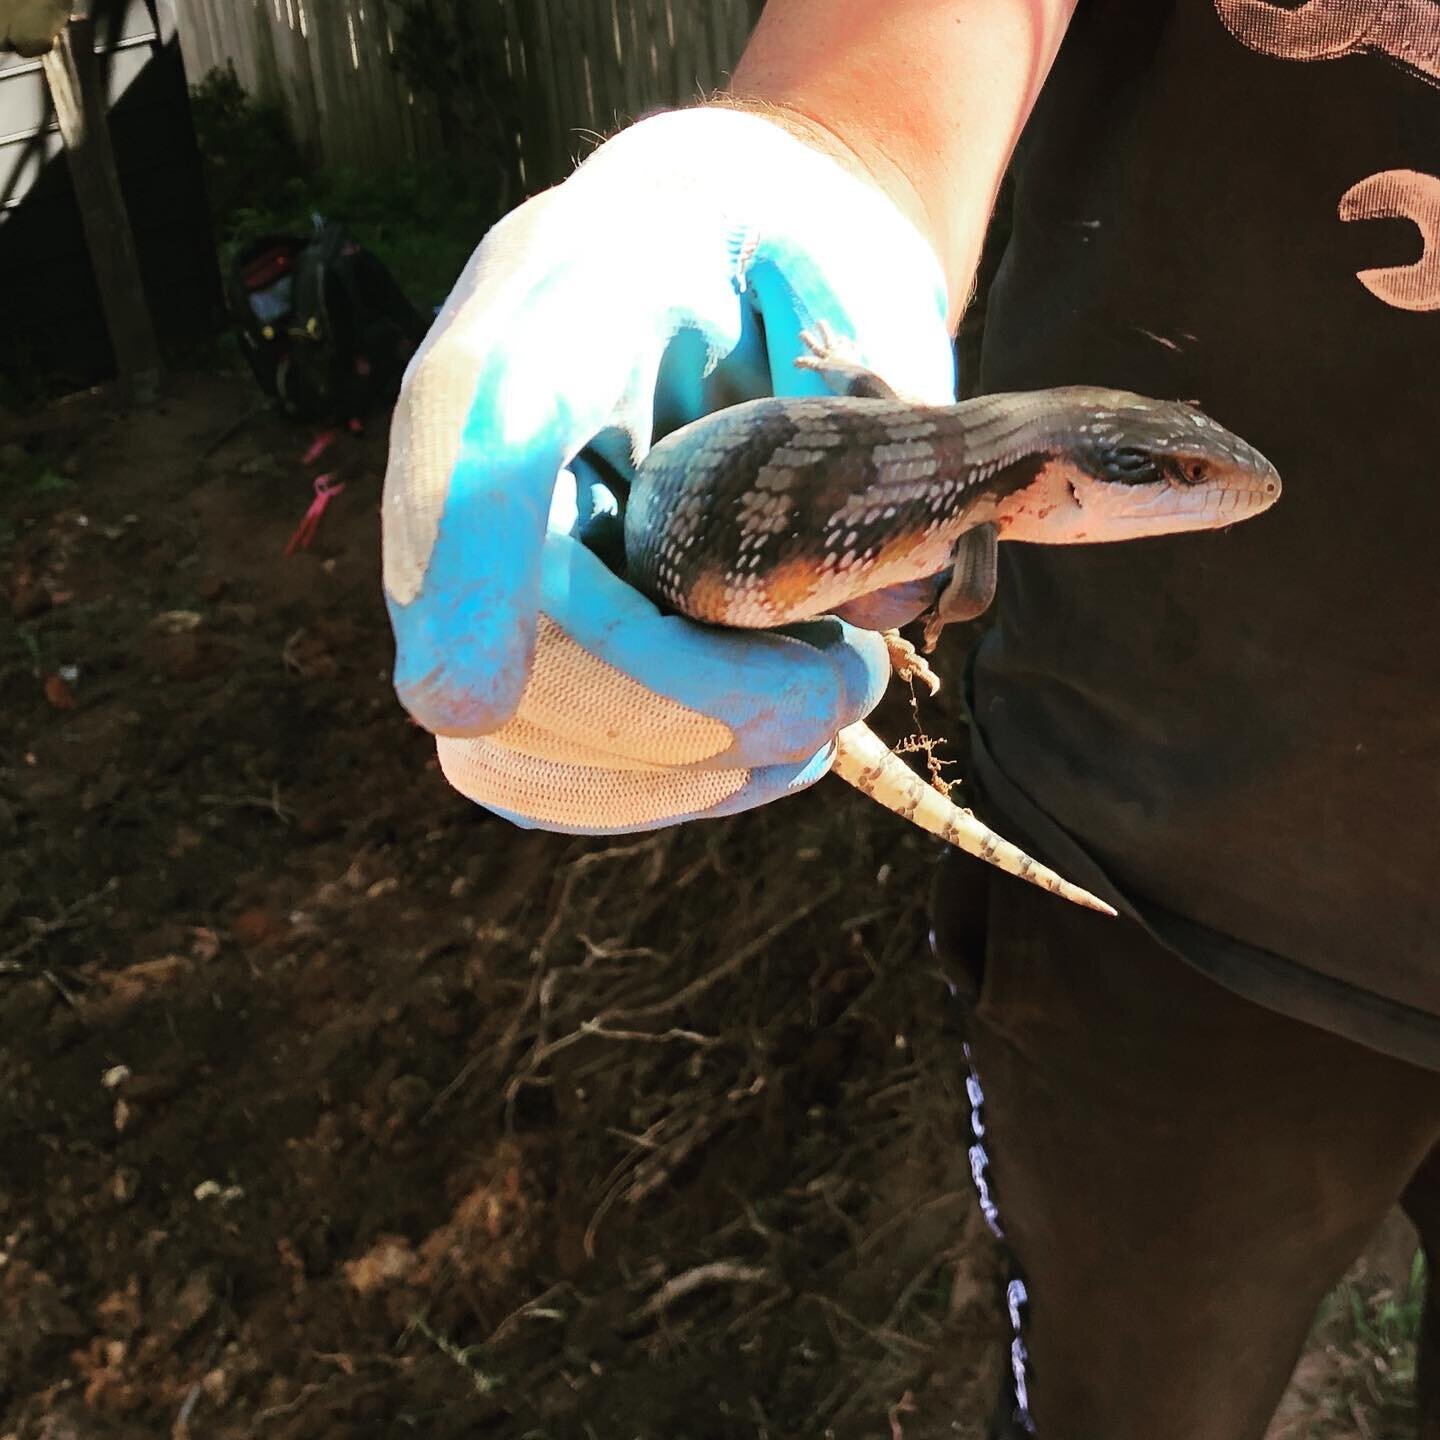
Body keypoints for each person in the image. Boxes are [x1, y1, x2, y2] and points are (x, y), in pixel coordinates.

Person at [380, 2, 1440, 1435]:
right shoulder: (974, 512)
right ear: (1075, 468)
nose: (1204, 485)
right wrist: (828, 151)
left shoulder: (985, 512)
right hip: (1162, 867)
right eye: (1160, 463)